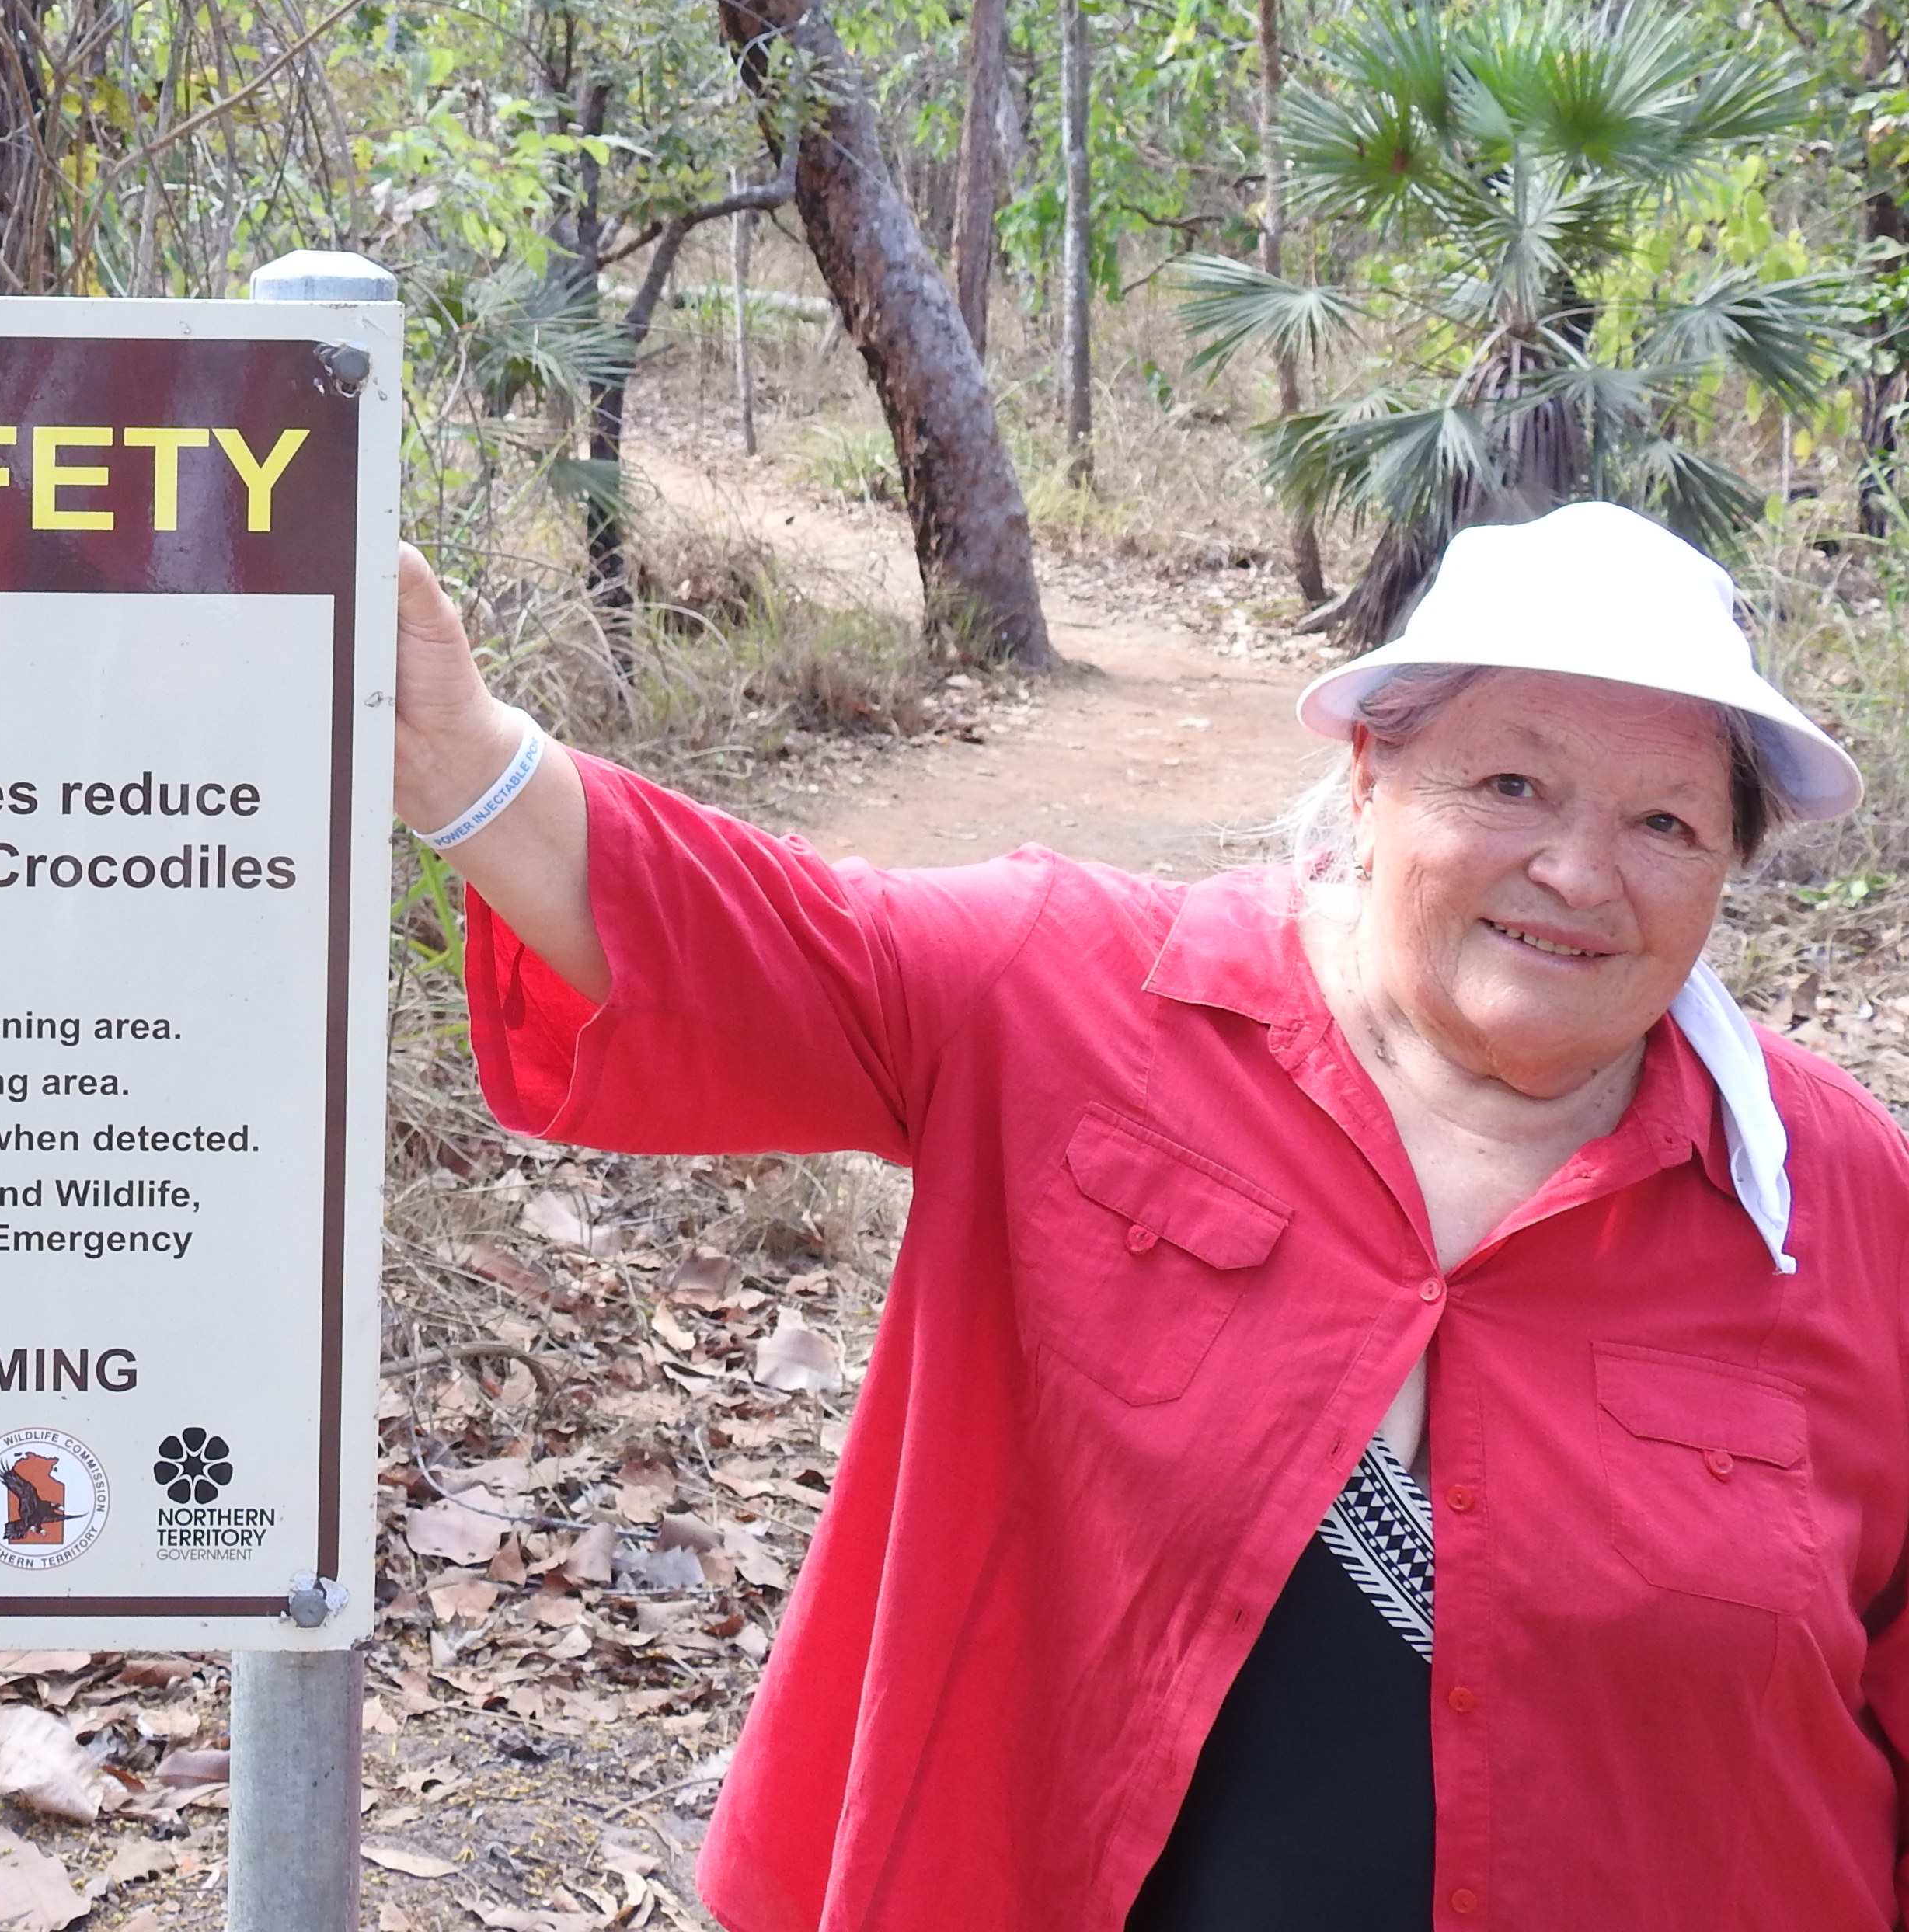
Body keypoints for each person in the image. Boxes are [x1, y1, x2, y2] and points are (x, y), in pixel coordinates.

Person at [393, 500, 1909, 1932]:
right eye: (1511, 787)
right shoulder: (1078, 997)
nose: (1579, 872)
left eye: (1665, 822)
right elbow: (749, 938)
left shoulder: (1840, 1198)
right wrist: (464, 757)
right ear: (1372, 776)